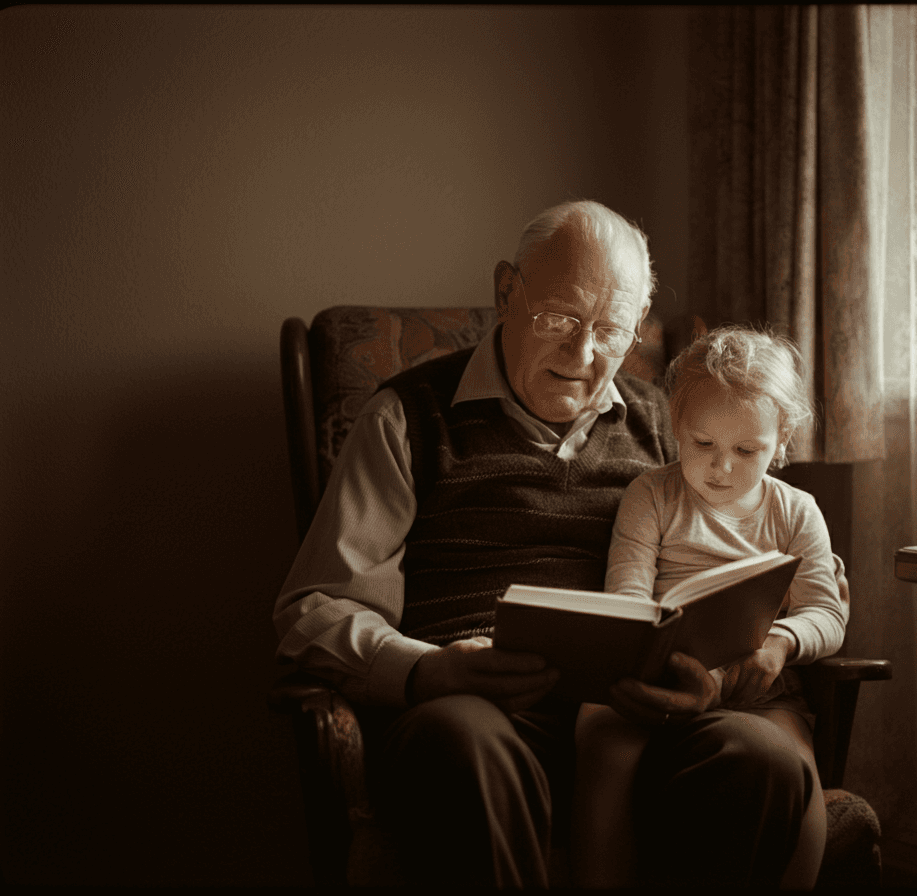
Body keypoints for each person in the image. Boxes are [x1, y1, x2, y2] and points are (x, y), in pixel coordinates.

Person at [273, 200, 834, 887]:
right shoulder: (406, 419)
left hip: (641, 714)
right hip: (477, 709)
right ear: (506, 291)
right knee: (461, 744)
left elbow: (762, 559)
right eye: (561, 320)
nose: (583, 354)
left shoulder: (672, 426)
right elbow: (316, 607)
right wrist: (429, 670)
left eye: (611, 331)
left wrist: (703, 675)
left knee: (761, 761)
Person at [571, 325, 849, 888]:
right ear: (675, 425)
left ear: (782, 439)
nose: (721, 468)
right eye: (702, 444)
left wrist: (780, 643)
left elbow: (827, 612)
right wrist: (651, 654)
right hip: (657, 679)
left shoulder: (797, 512)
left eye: (747, 451)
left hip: (759, 688)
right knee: (602, 744)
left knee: (802, 786)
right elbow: (625, 596)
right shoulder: (651, 495)